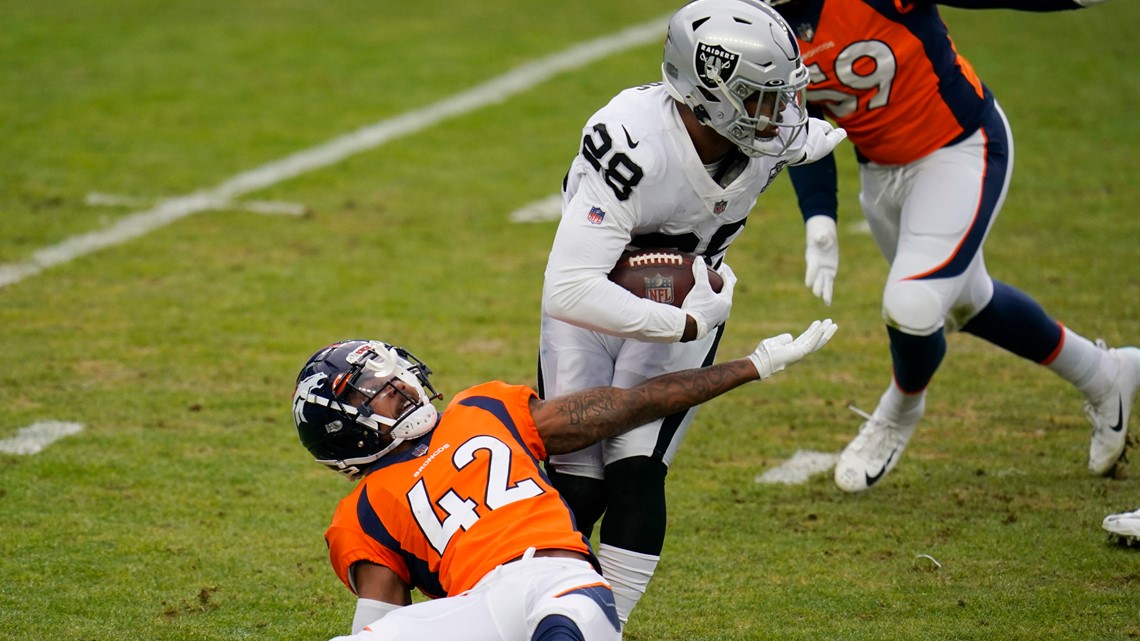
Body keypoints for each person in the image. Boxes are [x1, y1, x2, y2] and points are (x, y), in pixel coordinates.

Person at [537, 0, 847, 625]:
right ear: (705, 93)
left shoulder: (768, 133)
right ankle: (534, 611)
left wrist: (821, 215)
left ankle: (604, 627)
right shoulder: (634, 139)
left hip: (689, 295)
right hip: (597, 306)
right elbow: (568, 289)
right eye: (759, 98)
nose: (777, 114)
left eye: (779, 96)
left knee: (636, 470)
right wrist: (681, 323)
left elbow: (805, 136)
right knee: (572, 480)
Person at [762, 0, 1138, 492]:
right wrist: (819, 219)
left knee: (913, 304)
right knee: (965, 302)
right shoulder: (767, 26)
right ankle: (1105, 375)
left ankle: (897, 412)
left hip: (959, 149)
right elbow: (799, 122)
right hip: (881, 177)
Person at [291, 320, 838, 641]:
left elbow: (632, 404)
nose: (405, 386)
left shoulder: (481, 408)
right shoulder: (362, 511)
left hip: (559, 580)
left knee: (572, 625)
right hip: (478, 604)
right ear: (347, 427)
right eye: (379, 389)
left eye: (397, 375)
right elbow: (378, 622)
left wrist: (752, 365)